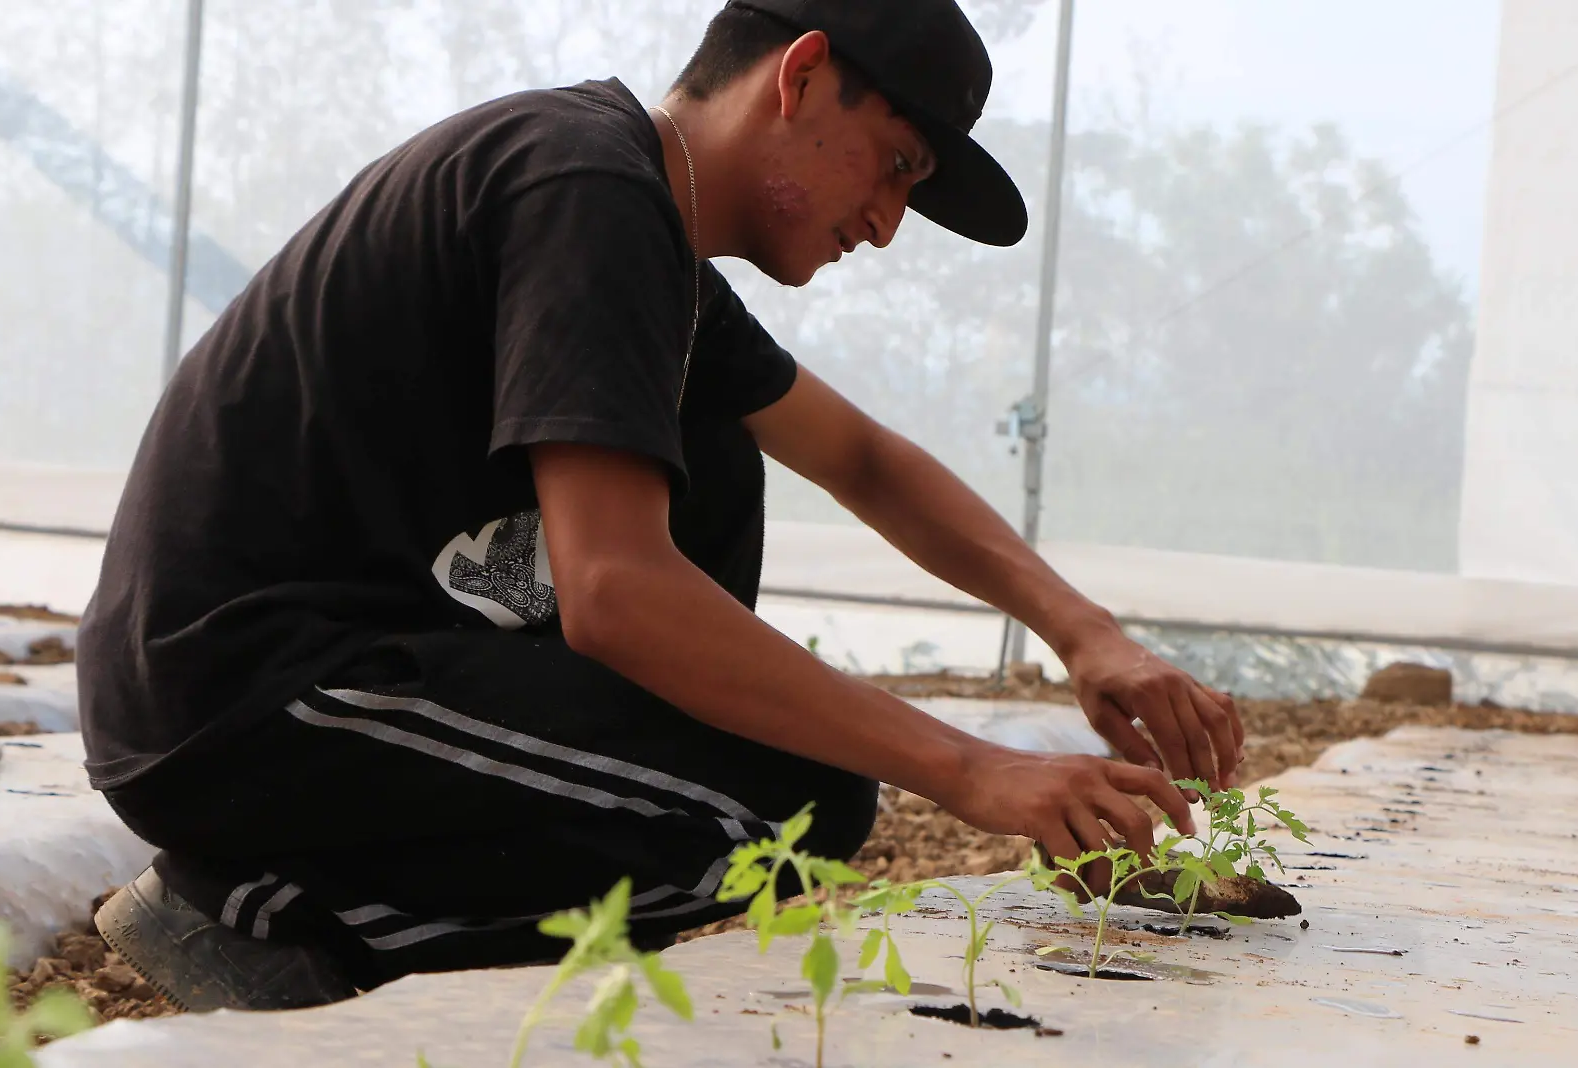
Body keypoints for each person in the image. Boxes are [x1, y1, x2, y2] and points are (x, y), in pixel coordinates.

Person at [81, 0, 1244, 1010]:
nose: (888, 223)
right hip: (244, 693)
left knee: (718, 455)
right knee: (788, 809)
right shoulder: (586, 184)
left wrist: (1083, 633)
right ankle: (284, 923)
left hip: (356, 658)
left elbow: (864, 460)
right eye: (895, 165)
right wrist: (973, 769)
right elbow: (614, 593)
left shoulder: (644, 237)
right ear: (799, 76)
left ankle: (333, 915)